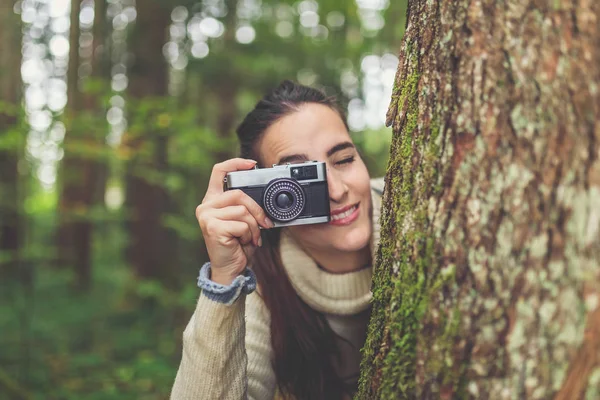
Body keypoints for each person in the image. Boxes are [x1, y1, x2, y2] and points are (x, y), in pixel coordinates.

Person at [170, 80, 384, 400]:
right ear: (268, 196)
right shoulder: (263, 286)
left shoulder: (420, 205)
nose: (338, 191)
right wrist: (225, 279)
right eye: (302, 179)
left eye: (343, 160)